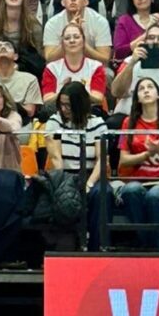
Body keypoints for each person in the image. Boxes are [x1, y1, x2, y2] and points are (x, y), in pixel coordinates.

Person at [116, 77, 159, 249]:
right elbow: (123, 160)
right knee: (130, 190)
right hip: (138, 180)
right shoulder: (128, 123)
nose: (146, 90)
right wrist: (147, 154)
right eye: (141, 89)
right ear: (137, 99)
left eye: (150, 87)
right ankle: (144, 244)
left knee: (154, 196)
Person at [45, 80, 107, 249]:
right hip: (65, 176)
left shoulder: (97, 123)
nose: (64, 109)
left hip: (91, 175)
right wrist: (66, 185)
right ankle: (68, 245)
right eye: (62, 104)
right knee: (65, 196)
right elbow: (56, 157)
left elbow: (102, 159)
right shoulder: (55, 121)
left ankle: (97, 247)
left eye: (69, 105)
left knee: (101, 193)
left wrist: (89, 184)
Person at [0, 37, 42, 124]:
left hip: (21, 125)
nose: (3, 47)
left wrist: (2, 106)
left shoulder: (30, 79)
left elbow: (30, 111)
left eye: (8, 45)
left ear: (16, 56)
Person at [41, 22, 106, 108]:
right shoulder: (51, 68)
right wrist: (64, 90)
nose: (72, 41)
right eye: (67, 38)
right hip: (59, 110)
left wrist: (78, 90)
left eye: (76, 37)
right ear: (62, 43)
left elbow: (98, 98)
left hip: (87, 110)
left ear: (83, 41)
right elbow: (47, 100)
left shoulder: (96, 67)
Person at [0, 0, 44, 77]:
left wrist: (15, 69)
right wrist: (0, 70)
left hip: (26, 71)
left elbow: (39, 56)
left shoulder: (33, 26)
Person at [43, 0, 110, 66]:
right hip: (61, 66)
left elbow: (105, 60)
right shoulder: (52, 24)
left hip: (92, 66)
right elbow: (49, 59)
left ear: (86, 2)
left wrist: (83, 44)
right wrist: (67, 39)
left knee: (108, 72)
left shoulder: (100, 22)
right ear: (63, 2)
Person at [112, 0, 159, 66]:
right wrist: (147, 33)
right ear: (132, 0)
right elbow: (118, 53)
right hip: (131, 66)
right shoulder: (124, 21)